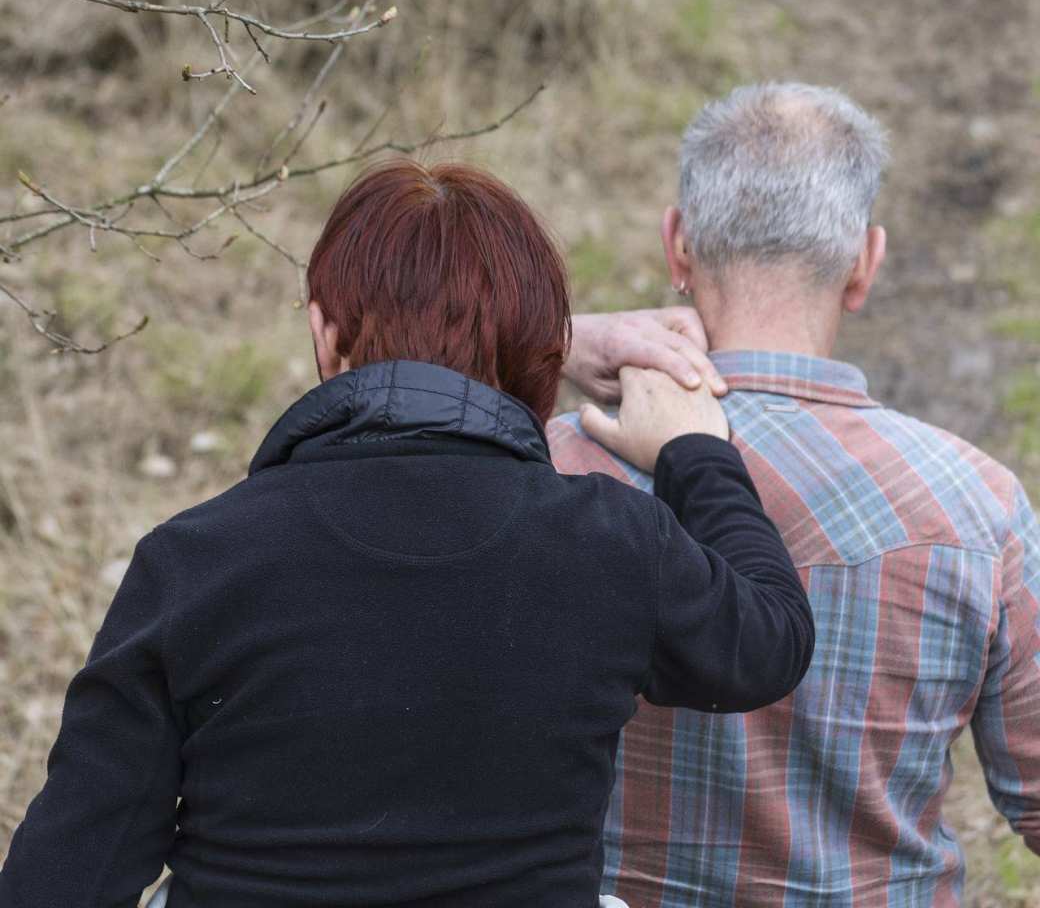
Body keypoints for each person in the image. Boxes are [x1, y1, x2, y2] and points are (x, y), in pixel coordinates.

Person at [0, 159, 814, 908]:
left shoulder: (197, 561)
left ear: (323, 334)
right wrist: (695, 453)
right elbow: (771, 640)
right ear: (545, 357)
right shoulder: (609, 544)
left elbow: (65, 878)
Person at [552, 82, 1040, 907]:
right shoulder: (978, 506)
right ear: (865, 264)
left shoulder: (550, 471)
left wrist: (548, 342)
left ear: (678, 246)